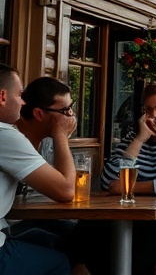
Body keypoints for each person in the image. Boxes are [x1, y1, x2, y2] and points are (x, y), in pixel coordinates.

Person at [68, 81, 156, 275]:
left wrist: (129, 187)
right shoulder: (134, 139)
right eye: (148, 110)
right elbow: (108, 181)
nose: (153, 116)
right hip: (134, 218)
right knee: (84, 230)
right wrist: (139, 141)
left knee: (143, 243)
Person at [0, 64, 75, 275]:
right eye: (20, 95)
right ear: (2, 96)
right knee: (58, 262)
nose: (23, 102)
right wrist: (61, 134)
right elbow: (66, 190)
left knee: (58, 241)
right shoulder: (5, 134)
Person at [10, 77, 79, 245]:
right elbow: (66, 190)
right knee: (76, 244)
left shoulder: (47, 140)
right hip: (10, 227)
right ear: (39, 114)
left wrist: (60, 138)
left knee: (91, 235)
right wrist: (61, 136)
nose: (72, 116)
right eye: (65, 110)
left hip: (38, 218)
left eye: (72, 107)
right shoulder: (12, 138)